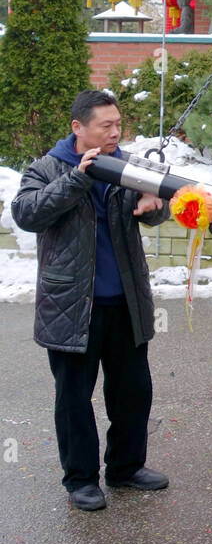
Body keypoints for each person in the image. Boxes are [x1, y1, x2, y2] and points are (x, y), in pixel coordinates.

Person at [11, 89, 172, 511]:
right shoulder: (46, 168)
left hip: (125, 302)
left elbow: (156, 209)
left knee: (133, 391)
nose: (115, 132)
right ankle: (81, 479)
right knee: (74, 398)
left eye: (119, 124)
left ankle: (125, 468)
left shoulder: (127, 165)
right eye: (106, 125)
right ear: (78, 128)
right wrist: (78, 178)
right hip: (71, 307)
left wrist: (155, 205)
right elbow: (27, 214)